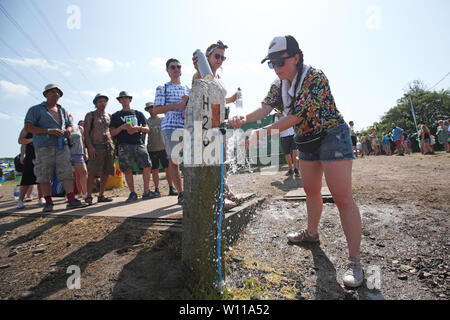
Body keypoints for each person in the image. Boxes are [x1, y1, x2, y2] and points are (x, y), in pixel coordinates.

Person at [229, 35, 363, 288]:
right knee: (311, 191)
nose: (277, 68)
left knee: (342, 197)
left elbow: (296, 117)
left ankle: (354, 260)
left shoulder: (315, 78)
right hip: (307, 139)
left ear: (296, 57)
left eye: (280, 62)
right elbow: (265, 108)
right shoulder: (279, 83)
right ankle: (312, 233)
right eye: (272, 63)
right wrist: (243, 118)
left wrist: (260, 133)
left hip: (331, 134)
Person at [192, 40, 242, 206]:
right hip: (206, 123)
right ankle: (214, 196)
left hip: (219, 120)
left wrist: (231, 99)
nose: (220, 60)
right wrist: (199, 70)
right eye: (217, 56)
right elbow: (201, 94)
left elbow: (217, 99)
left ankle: (224, 192)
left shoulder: (219, 78)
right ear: (207, 57)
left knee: (221, 160)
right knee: (209, 160)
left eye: (223, 57)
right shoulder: (199, 74)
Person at [24, 84, 84, 212]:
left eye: (57, 92)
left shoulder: (62, 110)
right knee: (44, 174)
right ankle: (48, 202)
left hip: (62, 146)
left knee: (67, 172)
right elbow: (28, 127)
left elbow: (69, 125)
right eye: (52, 92)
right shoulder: (35, 110)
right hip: (43, 147)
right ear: (45, 94)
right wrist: (48, 130)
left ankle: (71, 199)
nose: (55, 94)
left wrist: (67, 131)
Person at [153, 59, 190, 205]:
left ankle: (191, 190)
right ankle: (181, 193)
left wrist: (189, 101)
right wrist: (177, 105)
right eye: (172, 67)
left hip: (187, 127)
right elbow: (156, 110)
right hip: (170, 127)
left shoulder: (188, 88)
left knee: (190, 160)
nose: (176, 69)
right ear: (167, 70)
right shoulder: (163, 87)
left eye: (178, 66)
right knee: (174, 161)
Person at [110, 91, 158, 202]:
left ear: (130, 100)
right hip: (124, 144)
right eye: (122, 99)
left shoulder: (138, 113)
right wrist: (122, 127)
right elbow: (111, 133)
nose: (124, 100)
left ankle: (146, 191)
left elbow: (147, 129)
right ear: (119, 101)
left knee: (147, 166)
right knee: (127, 169)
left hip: (138, 143)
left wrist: (138, 128)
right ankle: (132, 193)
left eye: (126, 98)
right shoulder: (116, 115)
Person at [83, 94, 115, 204]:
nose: (102, 103)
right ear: (96, 103)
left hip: (108, 146)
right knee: (92, 172)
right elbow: (86, 133)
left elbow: (112, 132)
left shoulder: (109, 116)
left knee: (106, 171)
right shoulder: (90, 115)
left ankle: (101, 195)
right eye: (100, 101)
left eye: (104, 101)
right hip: (96, 146)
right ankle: (88, 196)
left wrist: (114, 148)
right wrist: (90, 147)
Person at [143, 101, 177, 197]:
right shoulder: (146, 121)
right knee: (155, 170)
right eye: (149, 108)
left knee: (168, 168)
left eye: (152, 107)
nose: (151, 110)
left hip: (164, 147)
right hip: (151, 148)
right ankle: (157, 189)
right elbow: (143, 134)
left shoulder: (163, 119)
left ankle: (171, 187)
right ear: (147, 110)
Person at [16, 128, 44, 209]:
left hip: (42, 155)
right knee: (26, 178)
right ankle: (20, 200)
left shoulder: (43, 126)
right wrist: (22, 155)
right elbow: (22, 142)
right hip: (30, 156)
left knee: (42, 178)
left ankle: (41, 197)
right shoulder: (27, 128)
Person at [68, 113, 88, 200]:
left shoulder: (80, 128)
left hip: (79, 153)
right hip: (67, 154)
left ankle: (85, 193)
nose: (68, 118)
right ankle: (70, 194)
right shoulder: (61, 127)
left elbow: (83, 141)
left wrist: (85, 152)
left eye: (69, 116)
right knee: (71, 175)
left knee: (83, 172)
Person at [274, 112, 299, 177]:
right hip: (284, 137)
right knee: (287, 153)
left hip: (293, 134)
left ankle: (296, 168)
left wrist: (283, 114)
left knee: (295, 151)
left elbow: (290, 117)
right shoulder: (276, 116)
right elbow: (276, 126)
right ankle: (290, 169)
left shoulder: (287, 112)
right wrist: (277, 116)